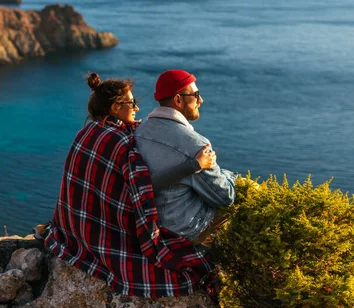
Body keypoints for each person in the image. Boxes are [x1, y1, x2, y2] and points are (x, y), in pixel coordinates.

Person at [44, 72, 217, 298]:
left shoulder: (87, 131)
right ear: (116, 108)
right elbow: (143, 189)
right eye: (132, 103)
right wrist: (193, 165)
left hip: (74, 226)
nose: (136, 108)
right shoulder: (122, 143)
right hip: (108, 234)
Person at [134, 70, 237, 246]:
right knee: (232, 207)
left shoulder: (139, 131)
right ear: (178, 100)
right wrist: (231, 176)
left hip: (144, 225)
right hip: (180, 232)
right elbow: (224, 197)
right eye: (196, 95)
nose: (201, 100)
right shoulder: (196, 146)